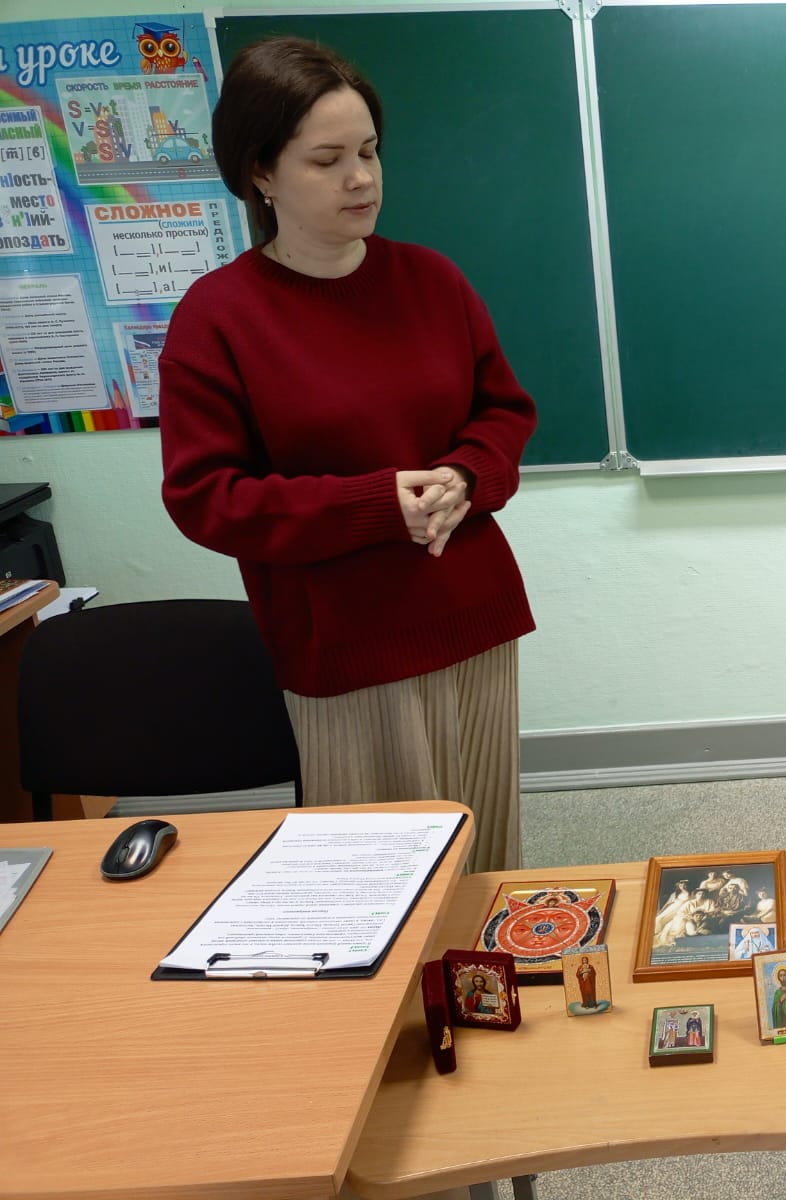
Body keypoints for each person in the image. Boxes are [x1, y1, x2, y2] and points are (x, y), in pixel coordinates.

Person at [158, 38, 537, 875]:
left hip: (471, 615)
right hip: (343, 641)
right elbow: (206, 497)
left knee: (485, 857)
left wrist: (468, 475)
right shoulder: (218, 317)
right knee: (374, 877)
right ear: (260, 172)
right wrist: (374, 505)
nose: (361, 178)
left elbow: (504, 411)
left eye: (368, 151)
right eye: (327, 160)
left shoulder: (432, 280)